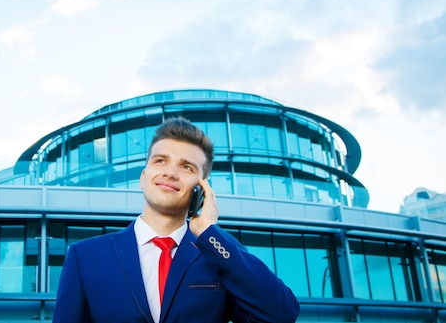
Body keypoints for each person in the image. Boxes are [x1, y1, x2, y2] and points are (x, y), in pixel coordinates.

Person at [52, 117, 300, 323]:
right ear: (143, 175)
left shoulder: (219, 253)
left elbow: (281, 315)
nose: (169, 173)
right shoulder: (84, 257)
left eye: (186, 167)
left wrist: (208, 232)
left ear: (202, 188)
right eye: (160, 161)